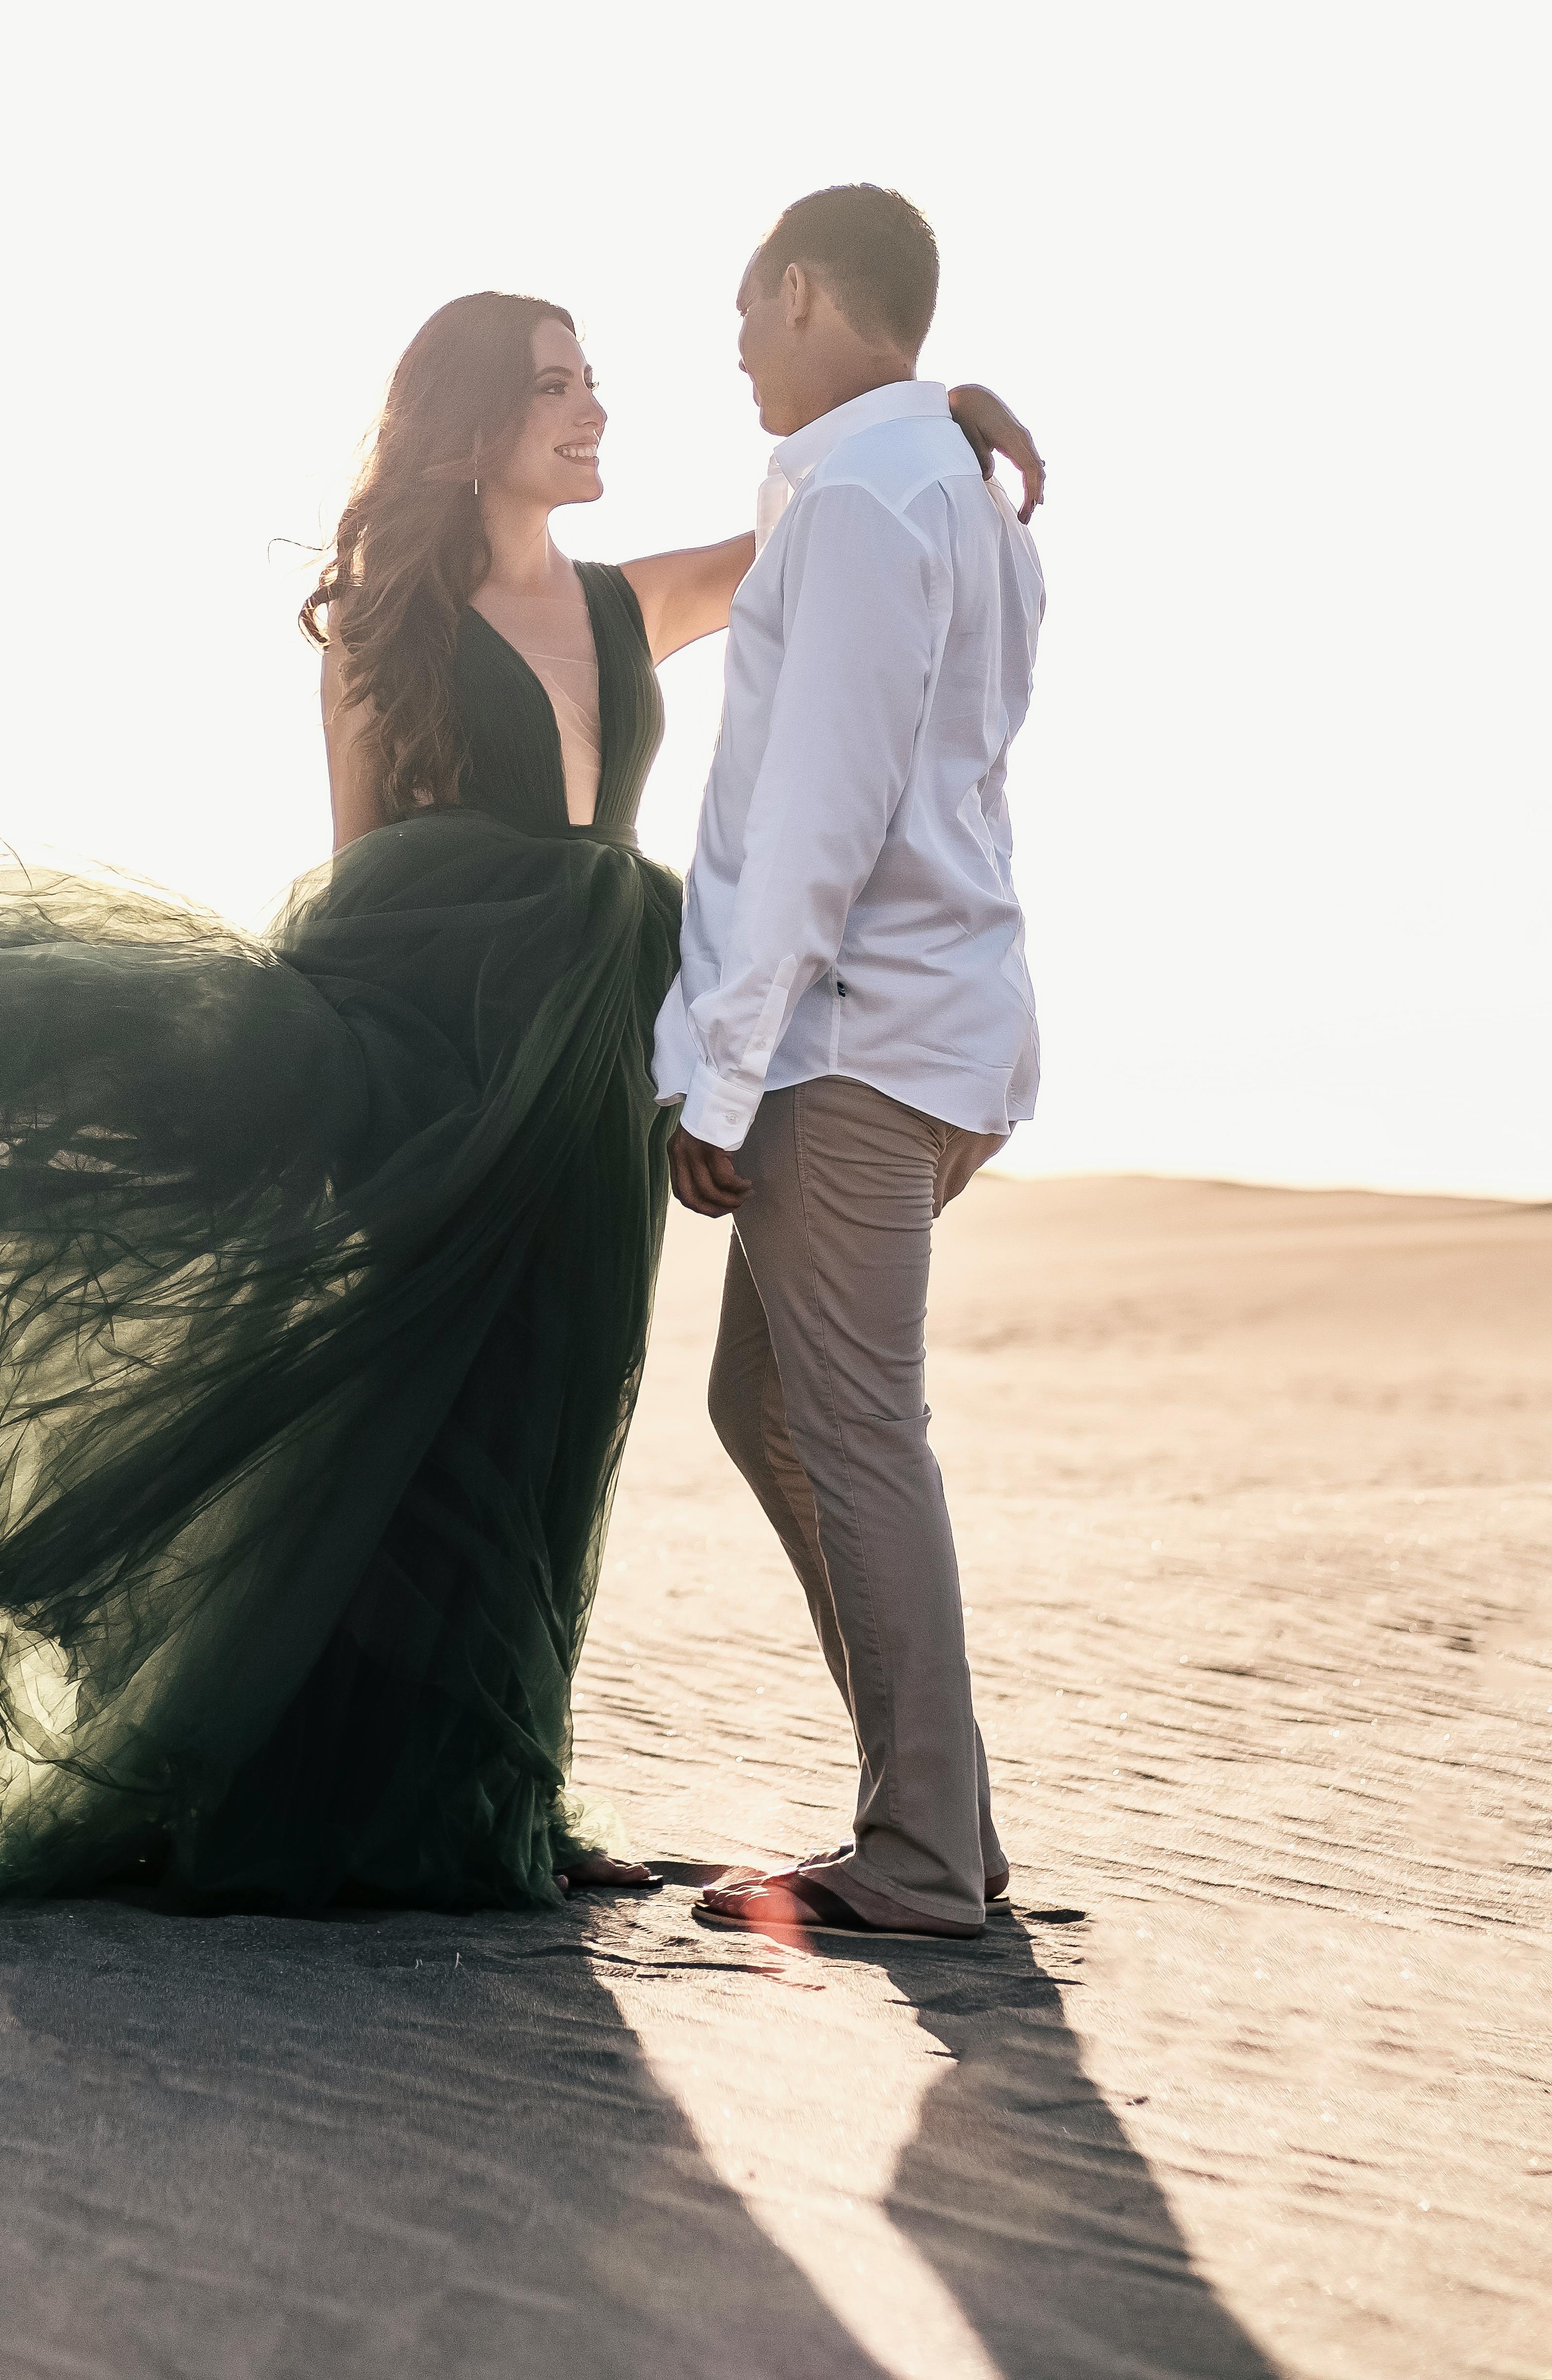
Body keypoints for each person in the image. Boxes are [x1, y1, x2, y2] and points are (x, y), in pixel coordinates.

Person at [0, 284, 1039, 1916]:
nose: (594, 413)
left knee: (548, 1428)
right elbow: (366, 874)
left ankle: (487, 1793)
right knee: (412, 1427)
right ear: (472, 423)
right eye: (557, 387)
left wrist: (949, 413)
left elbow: (835, 526)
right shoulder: (383, 619)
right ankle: (349, 1800)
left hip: (589, 1071)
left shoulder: (633, 601)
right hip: (435, 1048)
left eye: (595, 383)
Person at [654, 185, 1046, 1945]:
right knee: (774, 1407)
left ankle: (919, 1856)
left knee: (854, 1426)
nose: (735, 352)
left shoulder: (881, 503)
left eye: (746, 316)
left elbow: (822, 817)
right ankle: (941, 1812)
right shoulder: (927, 485)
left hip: (848, 1045)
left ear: (803, 291)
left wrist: (723, 1081)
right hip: (917, 1032)